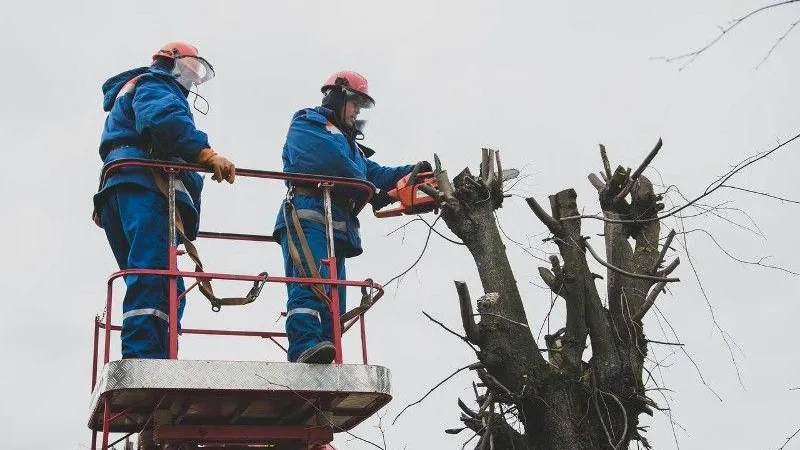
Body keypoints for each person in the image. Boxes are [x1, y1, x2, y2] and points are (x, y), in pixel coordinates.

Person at [274, 70, 430, 363]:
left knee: (334, 299)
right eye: (355, 103)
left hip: (335, 227)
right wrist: (371, 191)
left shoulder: (351, 148)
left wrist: (413, 172)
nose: (358, 111)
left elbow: (374, 173)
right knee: (310, 284)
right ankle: (303, 348)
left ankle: (325, 351)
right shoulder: (308, 124)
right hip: (306, 217)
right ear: (337, 96)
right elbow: (331, 163)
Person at [94, 41, 236, 359]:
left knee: (163, 281)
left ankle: (158, 352)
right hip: (145, 185)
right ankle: (145, 356)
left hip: (122, 187)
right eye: (190, 69)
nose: (193, 78)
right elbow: (165, 123)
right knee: (155, 274)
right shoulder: (156, 83)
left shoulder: (133, 88)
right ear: (170, 62)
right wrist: (205, 154)